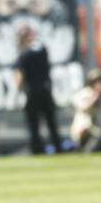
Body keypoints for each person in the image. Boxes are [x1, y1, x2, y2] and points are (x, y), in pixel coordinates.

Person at [14, 26, 63, 154]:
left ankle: (37, 148)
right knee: (51, 121)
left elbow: (20, 76)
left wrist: (18, 91)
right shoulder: (43, 50)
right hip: (46, 90)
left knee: (34, 123)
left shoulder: (24, 55)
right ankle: (58, 147)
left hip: (32, 92)